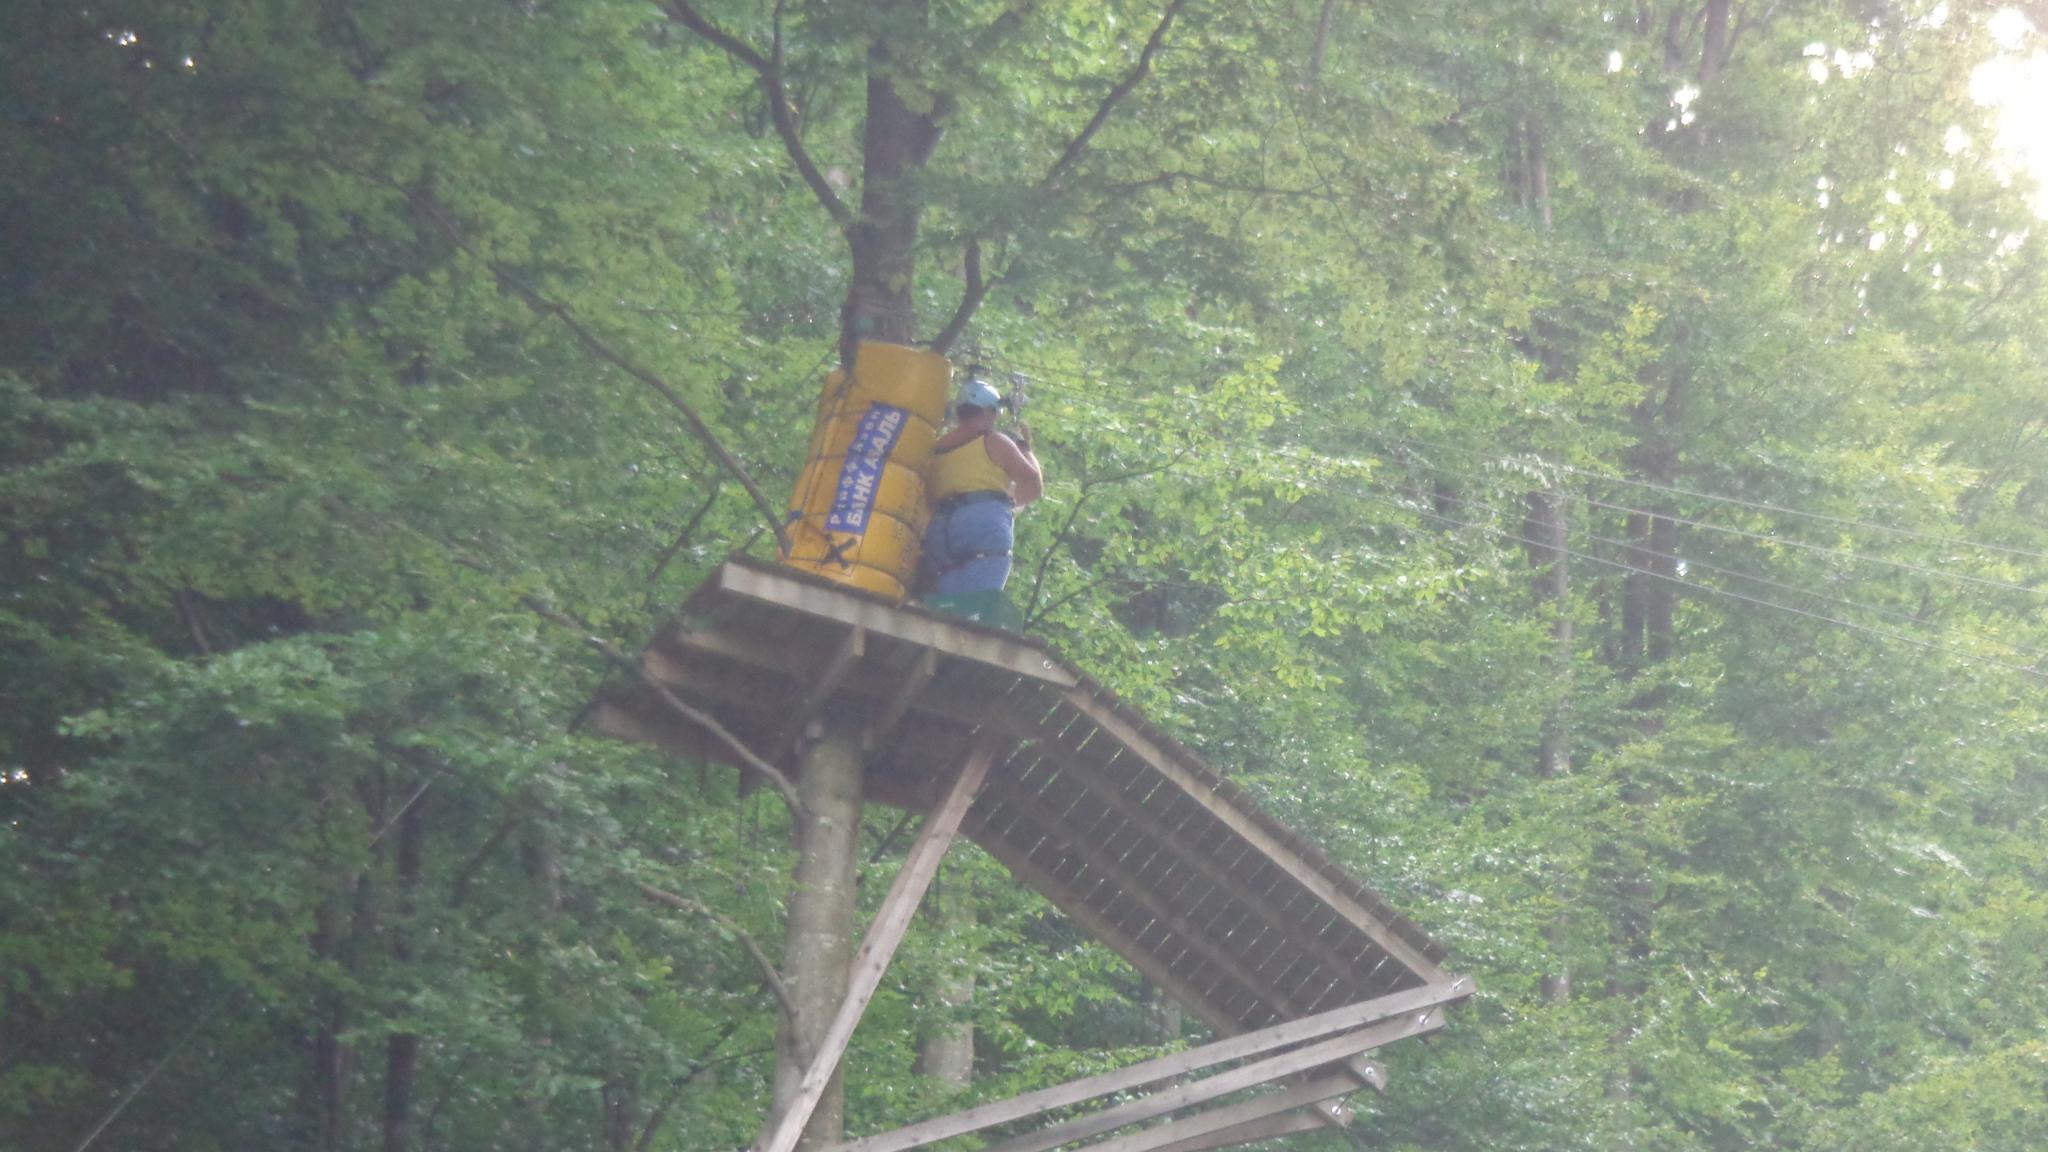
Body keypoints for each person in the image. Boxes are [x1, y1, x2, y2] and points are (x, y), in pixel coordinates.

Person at [918, 377, 1042, 601]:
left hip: (939, 528)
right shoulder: (993, 441)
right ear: (989, 412)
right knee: (976, 600)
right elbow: (1033, 485)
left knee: (939, 593)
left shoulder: (935, 450)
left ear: (960, 413)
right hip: (983, 522)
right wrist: (1024, 447)